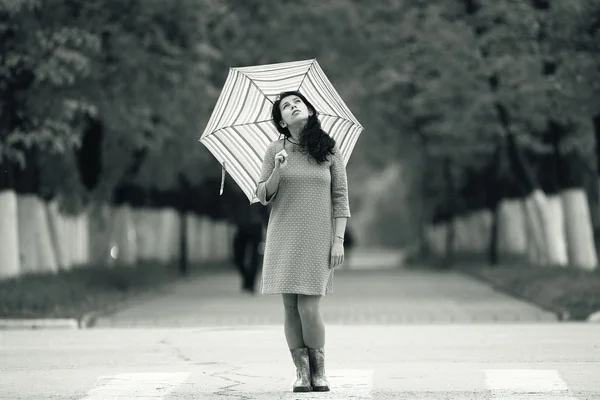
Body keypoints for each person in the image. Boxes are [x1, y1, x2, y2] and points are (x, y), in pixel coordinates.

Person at [255, 90, 351, 393]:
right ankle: (301, 373)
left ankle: (320, 372)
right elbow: (263, 195)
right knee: (290, 308)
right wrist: (278, 170)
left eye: (298, 102)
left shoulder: (329, 150)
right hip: (283, 235)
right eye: (286, 106)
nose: (294, 106)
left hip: (318, 237)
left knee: (309, 306)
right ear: (282, 122)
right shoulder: (275, 150)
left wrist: (338, 240)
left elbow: (341, 198)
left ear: (309, 110)